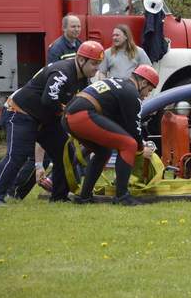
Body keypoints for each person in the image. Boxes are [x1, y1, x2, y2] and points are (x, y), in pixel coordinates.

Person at [0, 41, 104, 206]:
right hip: (19, 112)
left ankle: (59, 197)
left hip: (43, 117)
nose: (97, 68)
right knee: (17, 155)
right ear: (81, 60)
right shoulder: (62, 72)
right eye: (94, 63)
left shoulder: (83, 79)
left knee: (65, 152)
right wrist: (68, 113)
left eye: (99, 64)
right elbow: (49, 100)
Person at [62, 65, 159, 205]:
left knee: (103, 151)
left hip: (70, 115)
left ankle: (84, 196)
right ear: (143, 83)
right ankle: (122, 196)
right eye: (149, 90)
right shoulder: (132, 93)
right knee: (129, 144)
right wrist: (141, 149)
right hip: (81, 116)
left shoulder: (120, 84)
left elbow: (121, 126)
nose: (147, 95)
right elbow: (133, 129)